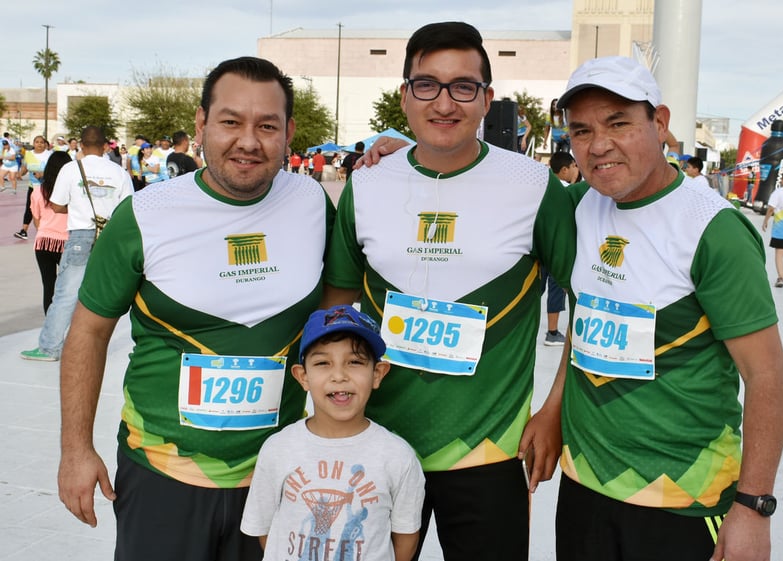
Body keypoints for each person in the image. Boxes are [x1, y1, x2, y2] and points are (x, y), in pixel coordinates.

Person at [56, 56, 335, 561]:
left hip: (277, 477)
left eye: (267, 125)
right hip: (163, 472)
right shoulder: (143, 214)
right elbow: (88, 332)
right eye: (230, 121)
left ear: (290, 132)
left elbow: (338, 308)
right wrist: (75, 449)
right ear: (202, 124)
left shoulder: (314, 203)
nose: (248, 141)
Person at [322, 22, 575, 561]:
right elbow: (338, 304)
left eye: (463, 86)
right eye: (427, 85)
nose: (444, 102)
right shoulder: (367, 184)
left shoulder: (533, 187)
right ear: (404, 95)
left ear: (486, 99)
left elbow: (589, 299)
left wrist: (555, 406)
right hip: (376, 443)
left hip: (488, 453)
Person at [547, 55, 783, 561]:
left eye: (618, 124)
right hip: (583, 486)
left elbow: (767, 378)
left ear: (659, 123)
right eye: (582, 130)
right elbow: (586, 319)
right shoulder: (577, 206)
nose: (598, 145)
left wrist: (752, 507)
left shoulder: (713, 229)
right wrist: (401, 152)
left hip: (683, 498)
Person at [241, 305, 425, 561]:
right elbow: (265, 533)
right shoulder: (277, 448)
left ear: (378, 374)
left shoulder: (398, 456)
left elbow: (405, 539)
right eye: (323, 363)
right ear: (303, 377)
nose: (339, 375)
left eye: (355, 362)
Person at [20, 126, 133, 362]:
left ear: (81, 145)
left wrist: (80, 207)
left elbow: (57, 205)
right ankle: (93, 346)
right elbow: (128, 208)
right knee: (105, 294)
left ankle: (49, 348)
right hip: (110, 237)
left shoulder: (71, 169)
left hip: (81, 234)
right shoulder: (118, 171)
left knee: (66, 293)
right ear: (105, 146)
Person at [540, 150, 579, 346]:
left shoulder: (543, 187)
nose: (576, 170)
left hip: (539, 247)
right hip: (558, 249)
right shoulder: (569, 192)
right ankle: (552, 332)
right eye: (573, 166)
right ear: (564, 170)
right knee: (556, 289)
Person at [29, 150, 72, 314]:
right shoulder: (71, 192)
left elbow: (37, 221)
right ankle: (67, 323)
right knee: (68, 286)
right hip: (66, 242)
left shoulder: (38, 191)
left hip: (43, 242)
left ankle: (50, 323)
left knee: (48, 285)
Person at [14, 135, 52, 240]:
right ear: (33, 143)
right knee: (30, 208)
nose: (39, 144)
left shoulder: (50, 155)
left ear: (45, 144)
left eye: (41, 142)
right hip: (33, 187)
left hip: (46, 187)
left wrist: (43, 174)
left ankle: (46, 230)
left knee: (46, 208)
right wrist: (20, 173)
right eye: (37, 142)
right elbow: (25, 167)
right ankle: (24, 231)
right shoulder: (29, 154)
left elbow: (54, 170)